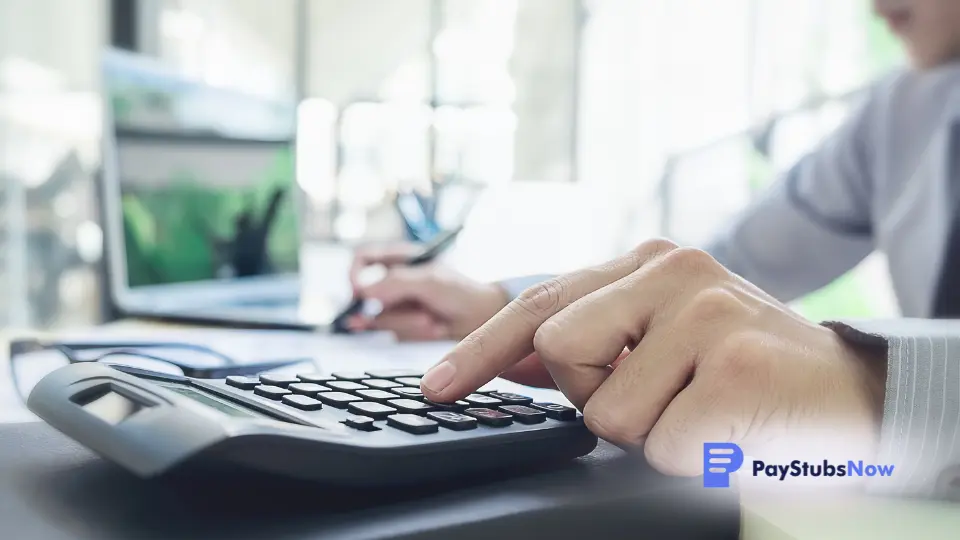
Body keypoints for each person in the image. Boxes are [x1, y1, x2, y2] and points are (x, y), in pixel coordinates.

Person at [347, 0, 960, 499]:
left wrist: (882, 389)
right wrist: (502, 306)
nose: (879, 6)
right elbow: (717, 277)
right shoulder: (902, 113)